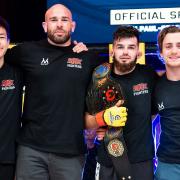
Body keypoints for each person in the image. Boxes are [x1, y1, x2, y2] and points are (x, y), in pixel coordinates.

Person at [5, 3, 107, 180]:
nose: (59, 24)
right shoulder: (27, 52)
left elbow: (110, 90)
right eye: (53, 20)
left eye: (64, 20)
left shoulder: (88, 58)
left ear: (72, 26)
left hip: (71, 153)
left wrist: (102, 126)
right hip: (31, 150)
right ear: (45, 26)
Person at [85, 25, 158, 180]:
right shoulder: (99, 79)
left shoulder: (148, 75)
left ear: (138, 52)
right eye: (120, 47)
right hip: (108, 161)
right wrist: (104, 120)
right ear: (112, 51)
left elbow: (153, 112)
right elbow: (86, 122)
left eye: (131, 47)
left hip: (141, 161)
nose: (125, 52)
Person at [154, 25, 180, 180]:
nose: (174, 51)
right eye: (168, 46)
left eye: (179, 45)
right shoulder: (155, 86)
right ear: (161, 52)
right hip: (168, 166)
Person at [0, 16, 23, 180]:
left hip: (7, 159)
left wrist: (72, 49)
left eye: (1, 37)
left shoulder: (17, 72)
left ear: (8, 42)